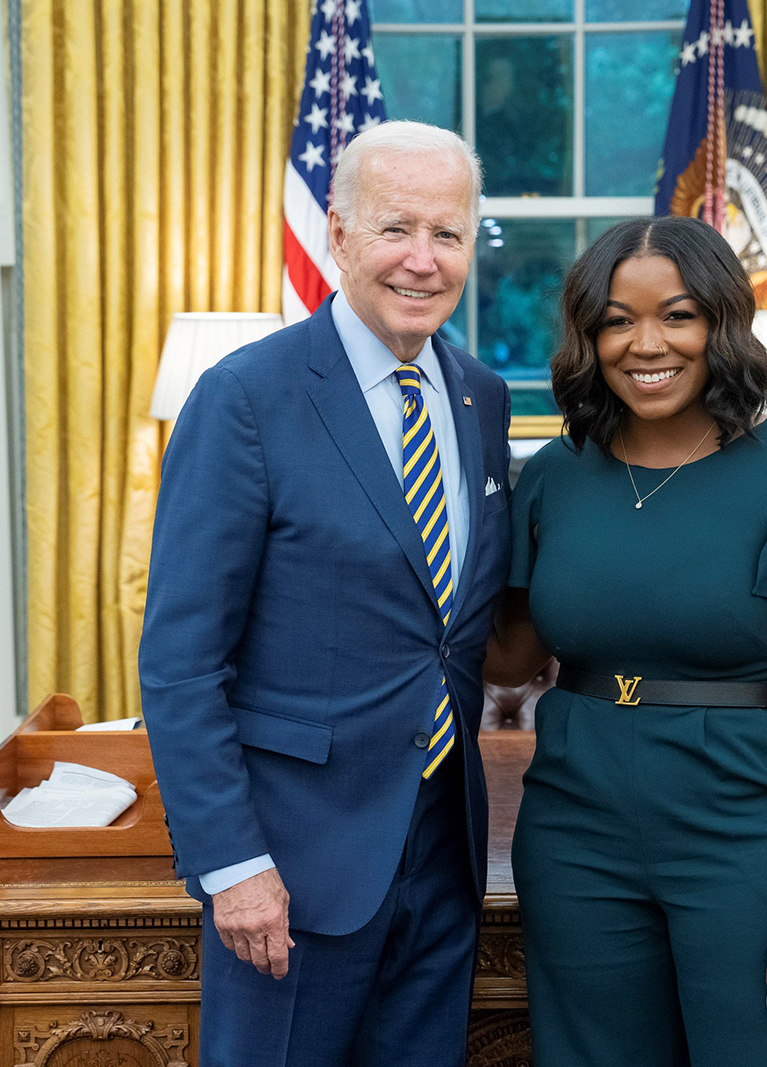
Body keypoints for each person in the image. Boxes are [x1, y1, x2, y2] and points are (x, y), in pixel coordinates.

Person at [485, 216, 767, 1066]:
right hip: (574, 830)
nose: (647, 343)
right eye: (617, 320)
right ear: (589, 335)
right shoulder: (556, 474)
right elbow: (504, 656)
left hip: (740, 831)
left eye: (677, 315)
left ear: (721, 323)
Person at [140, 121, 512, 1067]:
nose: (423, 261)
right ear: (338, 235)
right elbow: (182, 665)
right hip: (293, 866)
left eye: (448, 233)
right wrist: (234, 867)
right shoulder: (245, 398)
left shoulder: (480, 395)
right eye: (396, 229)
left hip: (441, 845)